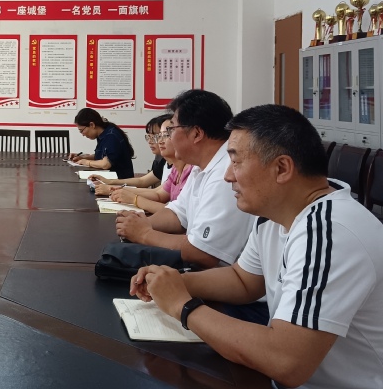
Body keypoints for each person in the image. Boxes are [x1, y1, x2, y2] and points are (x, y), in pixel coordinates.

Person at [130, 105, 383, 389]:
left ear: (282, 168)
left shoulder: (329, 232)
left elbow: (286, 360)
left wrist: (182, 306)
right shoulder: (277, 212)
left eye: (236, 162)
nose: (228, 176)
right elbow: (243, 279)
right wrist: (175, 282)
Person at [115, 89, 254, 270]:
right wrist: (141, 223)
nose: (168, 137)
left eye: (171, 129)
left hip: (219, 277)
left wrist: (144, 234)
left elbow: (203, 253)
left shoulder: (225, 174)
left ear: (196, 134)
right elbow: (178, 213)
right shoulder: (200, 165)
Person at [108, 117, 193, 215]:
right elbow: (158, 194)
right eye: (159, 136)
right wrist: (122, 191)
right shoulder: (175, 169)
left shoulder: (193, 171)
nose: (159, 141)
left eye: (166, 135)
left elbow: (179, 214)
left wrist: (134, 199)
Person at [90, 114, 171, 196]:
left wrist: (112, 189)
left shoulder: (175, 166)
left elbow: (158, 195)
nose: (150, 141)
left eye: (157, 136)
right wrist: (109, 182)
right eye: (149, 137)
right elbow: (142, 181)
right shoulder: (165, 161)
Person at [68, 108, 134, 179]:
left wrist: (86, 162)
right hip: (110, 177)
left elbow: (106, 164)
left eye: (81, 131)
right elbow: (101, 156)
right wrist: (82, 157)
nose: (82, 134)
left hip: (120, 180)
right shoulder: (103, 134)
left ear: (92, 125)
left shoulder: (111, 136)